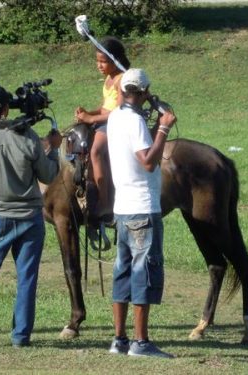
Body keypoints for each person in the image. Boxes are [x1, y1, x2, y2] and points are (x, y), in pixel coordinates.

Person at [0, 85, 62, 347]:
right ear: (7, 108)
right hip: (29, 217)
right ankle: (20, 336)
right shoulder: (28, 138)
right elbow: (48, 176)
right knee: (26, 278)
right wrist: (53, 149)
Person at [106, 68, 177, 358]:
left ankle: (119, 340)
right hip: (142, 208)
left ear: (123, 90)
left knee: (122, 272)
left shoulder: (115, 117)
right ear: (144, 92)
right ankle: (141, 342)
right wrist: (163, 128)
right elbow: (148, 162)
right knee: (143, 272)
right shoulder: (135, 122)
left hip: (122, 207)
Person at [75, 36, 131, 222]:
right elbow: (104, 107)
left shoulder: (122, 79)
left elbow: (118, 111)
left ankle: (106, 200)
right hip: (106, 119)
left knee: (96, 151)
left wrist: (91, 118)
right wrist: (87, 114)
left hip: (116, 122)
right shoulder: (109, 78)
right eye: (97, 61)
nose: (99, 65)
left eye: (103, 61)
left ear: (115, 60)